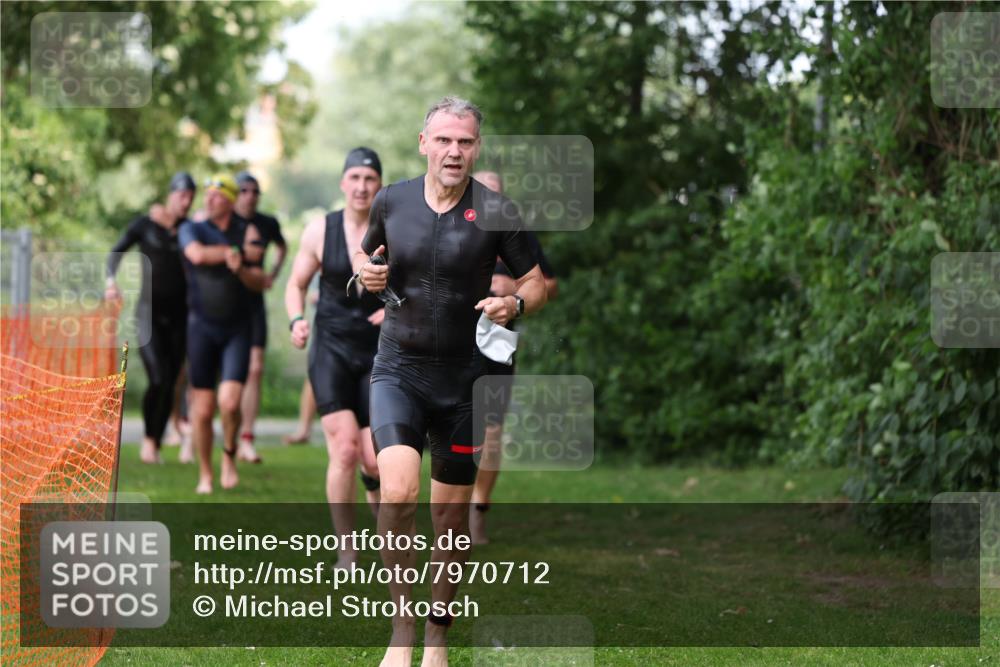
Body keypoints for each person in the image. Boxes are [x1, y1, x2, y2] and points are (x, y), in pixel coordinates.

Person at [356, 97, 548, 667]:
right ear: (424, 143)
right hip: (398, 369)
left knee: (449, 518)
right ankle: (403, 626)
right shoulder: (391, 201)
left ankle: (438, 632)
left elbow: (536, 282)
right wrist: (366, 275)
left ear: (476, 149)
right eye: (443, 140)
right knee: (396, 493)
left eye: (464, 142)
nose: (454, 151)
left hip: (465, 380)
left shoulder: (496, 210)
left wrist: (514, 301)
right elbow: (365, 266)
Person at [286, 148, 385, 567]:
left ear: (378, 185)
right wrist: (296, 320)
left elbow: (421, 285)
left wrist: (397, 308)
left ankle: (381, 516)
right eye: (355, 178)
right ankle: (347, 548)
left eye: (370, 178)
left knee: (376, 460)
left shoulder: (393, 231)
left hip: (379, 351)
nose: (362, 186)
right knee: (344, 449)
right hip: (331, 347)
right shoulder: (318, 231)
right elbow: (295, 284)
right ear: (343, 183)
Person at [468, 170, 559, 545]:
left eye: (496, 193)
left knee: (489, 431)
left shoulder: (516, 235)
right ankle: (448, 510)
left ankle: (478, 509)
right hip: (450, 344)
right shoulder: (448, 227)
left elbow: (548, 284)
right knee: (452, 429)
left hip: (497, 345)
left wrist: (514, 293)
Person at [178, 174, 266, 494]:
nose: (209, 200)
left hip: (237, 330)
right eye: (208, 194)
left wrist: (240, 266)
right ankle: (205, 473)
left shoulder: (247, 230)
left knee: (229, 404)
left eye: (217, 195)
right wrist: (234, 251)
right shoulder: (193, 228)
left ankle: (228, 455)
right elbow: (197, 255)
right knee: (202, 410)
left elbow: (261, 278)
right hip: (200, 328)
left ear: (229, 200)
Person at [105, 172, 196, 464]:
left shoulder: (189, 230)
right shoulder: (145, 225)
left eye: (191, 198)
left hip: (180, 316)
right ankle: (148, 439)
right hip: (148, 315)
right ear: (171, 194)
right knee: (157, 379)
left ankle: (155, 442)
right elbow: (115, 252)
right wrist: (110, 281)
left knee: (170, 381)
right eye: (182, 195)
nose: (186, 202)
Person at [233, 171, 288, 464]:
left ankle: (247, 439)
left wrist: (273, 275)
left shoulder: (267, 223)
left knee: (255, 369)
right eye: (243, 190)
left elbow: (282, 246)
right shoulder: (223, 221)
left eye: (255, 191)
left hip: (253, 303)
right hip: (223, 306)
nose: (250, 195)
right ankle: (192, 429)